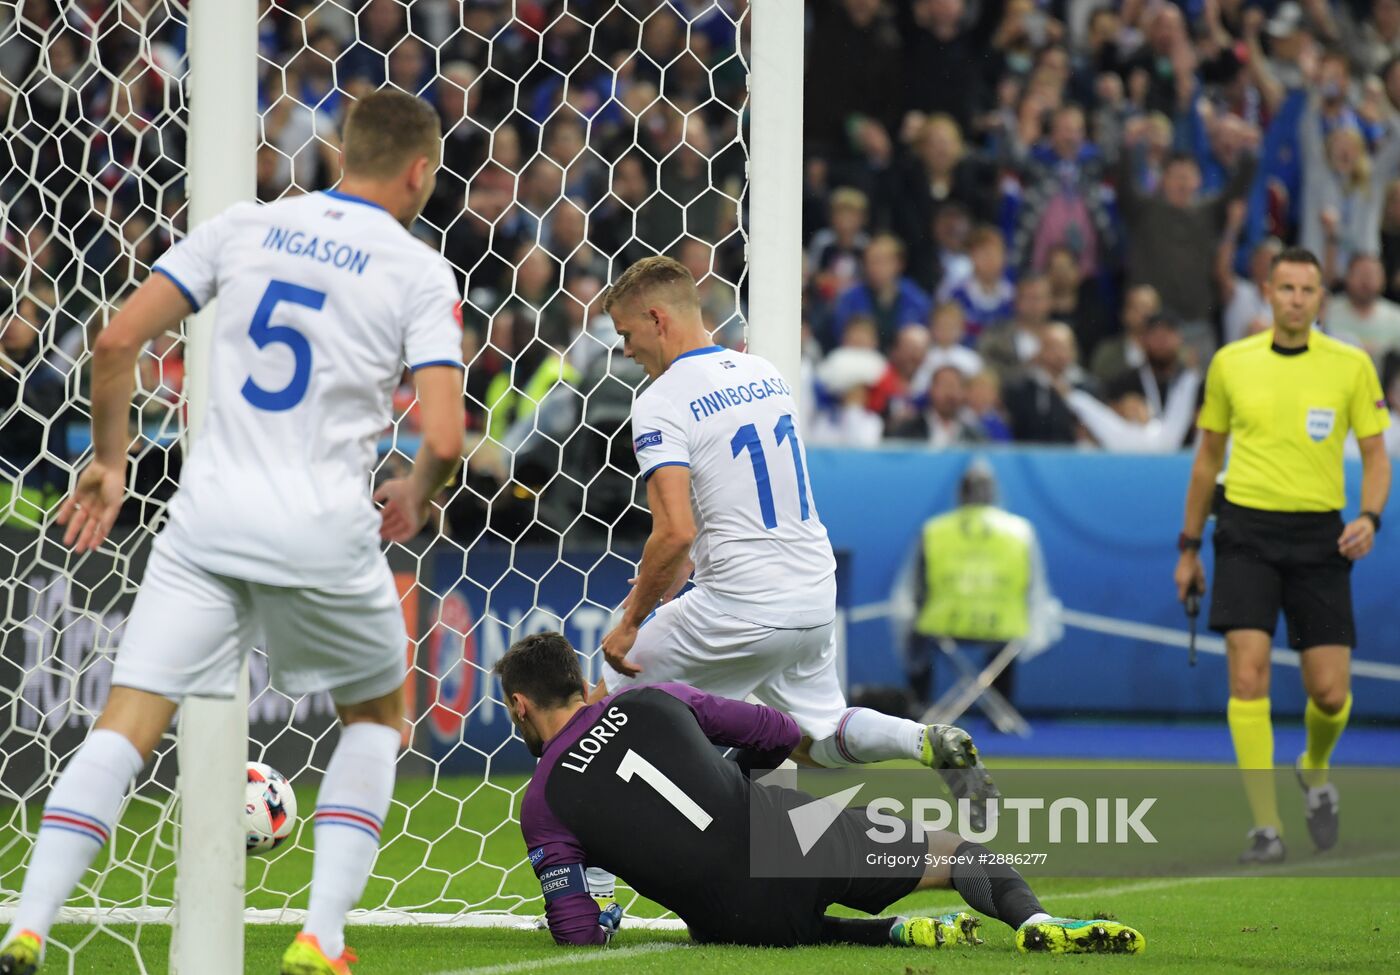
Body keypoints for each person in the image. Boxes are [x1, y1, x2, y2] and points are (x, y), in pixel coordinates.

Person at [0, 91, 467, 975]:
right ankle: (321, 935)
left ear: (337, 154)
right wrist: (416, 486)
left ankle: (28, 918)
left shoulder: (243, 228)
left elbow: (113, 343)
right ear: (419, 173)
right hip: (324, 529)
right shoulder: (416, 271)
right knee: (376, 718)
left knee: (124, 724)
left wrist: (111, 459)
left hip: (207, 522)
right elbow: (443, 436)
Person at [596, 257, 998, 846]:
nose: (626, 350)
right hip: (813, 594)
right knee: (823, 740)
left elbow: (675, 533)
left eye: (626, 334)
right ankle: (925, 741)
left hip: (742, 604)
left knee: (605, 715)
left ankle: (598, 889)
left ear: (657, 319)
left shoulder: (660, 401)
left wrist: (631, 621)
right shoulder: (766, 373)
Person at [499, 631, 1141, 954]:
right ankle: (1035, 922)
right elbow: (778, 731)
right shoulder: (654, 696)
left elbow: (578, 934)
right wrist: (734, 774)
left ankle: (891, 934)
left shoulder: (542, 804)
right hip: (795, 840)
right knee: (961, 852)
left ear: (520, 705)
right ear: (582, 683)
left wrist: (599, 908)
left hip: (732, 924)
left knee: (775, 922)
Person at [1174, 247, 1391, 866]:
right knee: (1248, 676)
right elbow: (1207, 460)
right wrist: (1188, 548)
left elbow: (1376, 458)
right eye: (1286, 287)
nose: (1296, 298)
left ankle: (1314, 769)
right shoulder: (1231, 363)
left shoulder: (1350, 366)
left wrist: (1370, 517)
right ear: (1267, 292)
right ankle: (1266, 827)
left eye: (1308, 289)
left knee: (1329, 694)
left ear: (1323, 298)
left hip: (1320, 537)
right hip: (1243, 530)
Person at [906, 462, 1059, 728]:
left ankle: (921, 704)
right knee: (1003, 648)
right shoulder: (1020, 531)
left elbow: (918, 588)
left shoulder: (935, 529)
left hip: (944, 626)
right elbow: (1033, 588)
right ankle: (1001, 713)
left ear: (960, 493)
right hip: (1003, 626)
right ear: (994, 492)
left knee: (913, 631)